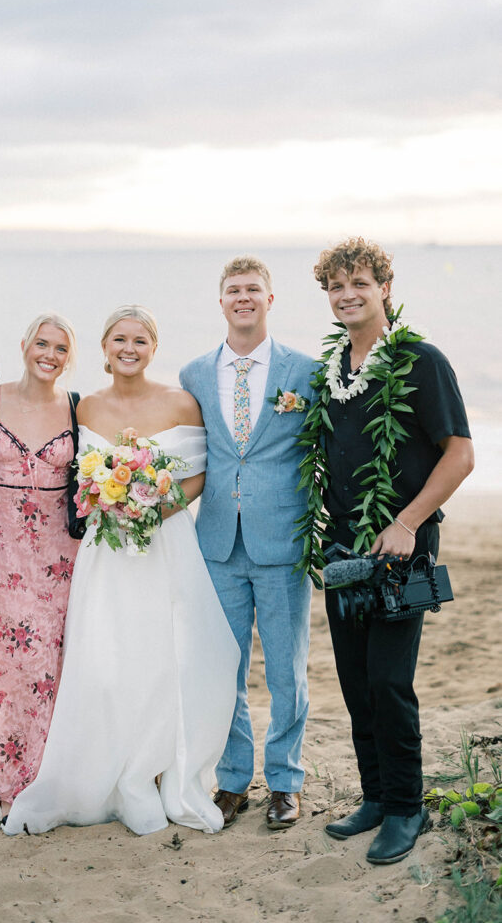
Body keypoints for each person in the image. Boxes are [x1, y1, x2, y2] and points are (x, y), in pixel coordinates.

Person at [3, 306, 240, 836]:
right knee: (106, 659)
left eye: (139, 340)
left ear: (153, 347)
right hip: (106, 552)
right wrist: (109, 499)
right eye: (119, 340)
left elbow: (202, 473)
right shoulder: (85, 406)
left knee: (166, 658)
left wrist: (157, 506)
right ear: (105, 348)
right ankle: (111, 773)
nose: (129, 348)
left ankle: (157, 772)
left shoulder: (181, 401)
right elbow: (74, 469)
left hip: (165, 543)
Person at [307, 237, 474, 864]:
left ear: (384, 288)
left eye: (360, 283)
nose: (348, 295)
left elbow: (460, 453)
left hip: (403, 547)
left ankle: (407, 807)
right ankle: (375, 797)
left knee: (389, 680)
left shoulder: (420, 361)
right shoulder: (334, 372)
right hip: (345, 547)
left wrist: (406, 521)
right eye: (336, 286)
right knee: (354, 682)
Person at [180, 256, 316, 830]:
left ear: (270, 299)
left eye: (253, 289)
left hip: (282, 541)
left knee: (287, 669)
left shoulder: (305, 373)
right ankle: (233, 780)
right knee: (224, 668)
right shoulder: (192, 375)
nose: (243, 297)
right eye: (233, 290)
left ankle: (285, 781)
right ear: (220, 301)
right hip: (215, 542)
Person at [0, 313, 81, 824]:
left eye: (60, 348)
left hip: (60, 556)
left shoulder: (77, 407)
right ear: (24, 345)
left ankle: (49, 776)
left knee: (52, 663)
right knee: (8, 660)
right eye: (42, 343)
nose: (49, 354)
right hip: (3, 549)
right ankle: (8, 780)